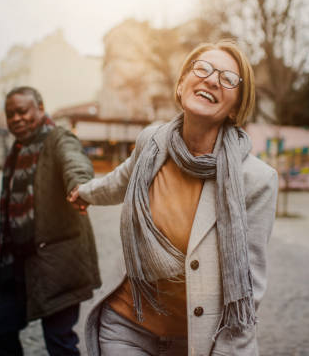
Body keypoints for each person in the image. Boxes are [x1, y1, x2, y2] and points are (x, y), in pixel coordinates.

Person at [69, 41, 278, 355]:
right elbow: (121, 180)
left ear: (235, 107)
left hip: (195, 341)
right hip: (125, 326)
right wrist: (84, 193)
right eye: (203, 68)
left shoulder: (257, 181)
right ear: (182, 86)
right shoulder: (151, 142)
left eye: (227, 78)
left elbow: (248, 285)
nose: (210, 79)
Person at [0, 86, 100, 356]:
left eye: (22, 111)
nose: (16, 118)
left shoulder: (59, 138)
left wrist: (80, 187)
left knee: (59, 341)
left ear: (40, 108)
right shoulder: (16, 150)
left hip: (58, 263)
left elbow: (74, 161)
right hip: (16, 264)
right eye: (10, 114)